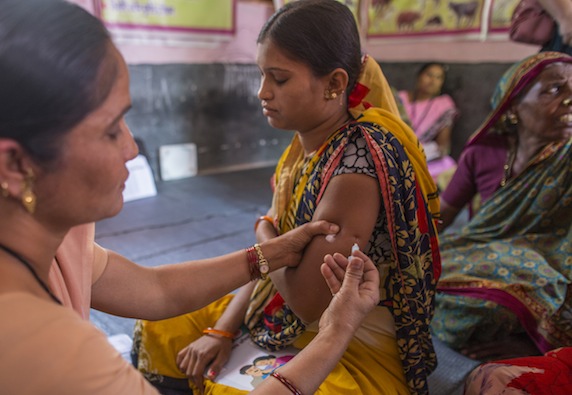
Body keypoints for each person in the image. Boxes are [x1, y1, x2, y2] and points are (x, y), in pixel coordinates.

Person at [0, 1, 385, 394]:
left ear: (335, 84)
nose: (133, 149)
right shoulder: (40, 348)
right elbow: (306, 300)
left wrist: (267, 251)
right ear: (15, 165)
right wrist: (335, 333)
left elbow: (154, 289)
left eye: (279, 78)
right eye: (111, 129)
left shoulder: (64, 237)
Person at [133, 1, 441, 395]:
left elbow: (307, 302)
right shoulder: (303, 151)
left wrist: (264, 234)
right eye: (262, 75)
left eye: (278, 78)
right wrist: (221, 330)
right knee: (160, 327)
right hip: (275, 311)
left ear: (333, 84)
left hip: (349, 341)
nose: (262, 92)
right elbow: (270, 262)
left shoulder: (358, 163)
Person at [430, 52, 572, 364]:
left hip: (552, 266)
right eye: (555, 90)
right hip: (482, 252)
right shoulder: (483, 151)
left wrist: (531, 348)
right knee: (420, 274)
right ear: (514, 103)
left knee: (519, 294)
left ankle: (535, 338)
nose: (569, 101)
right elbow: (438, 219)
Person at [398, 62, 458, 183]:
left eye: (438, 77)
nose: (432, 80)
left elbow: (443, 146)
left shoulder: (443, 105)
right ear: (419, 76)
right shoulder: (399, 99)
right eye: (429, 75)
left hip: (425, 155)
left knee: (448, 165)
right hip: (397, 149)